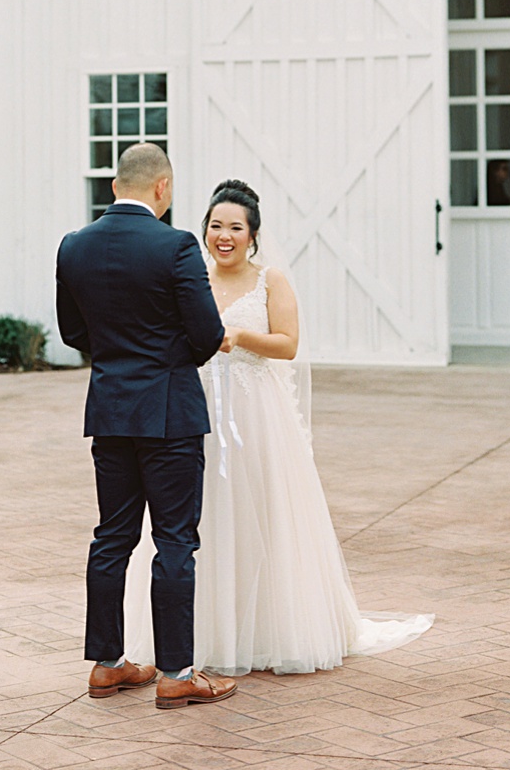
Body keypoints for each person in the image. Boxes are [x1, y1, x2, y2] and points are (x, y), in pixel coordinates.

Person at [124, 178, 434, 675]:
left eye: (235, 228)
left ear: (253, 235)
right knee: (195, 515)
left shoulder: (271, 280)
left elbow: (288, 344)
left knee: (261, 512)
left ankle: (270, 629)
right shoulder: (191, 275)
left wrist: (239, 335)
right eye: (216, 226)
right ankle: (201, 633)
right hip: (197, 408)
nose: (224, 236)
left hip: (256, 414)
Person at [55, 143, 238, 710]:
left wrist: (118, 357)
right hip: (169, 414)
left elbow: (72, 333)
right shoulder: (175, 245)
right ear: (163, 188)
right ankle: (177, 673)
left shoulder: (74, 245)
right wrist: (163, 358)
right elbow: (207, 335)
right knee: (175, 540)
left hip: (109, 411)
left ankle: (107, 665)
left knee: (112, 536)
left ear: (115, 187)